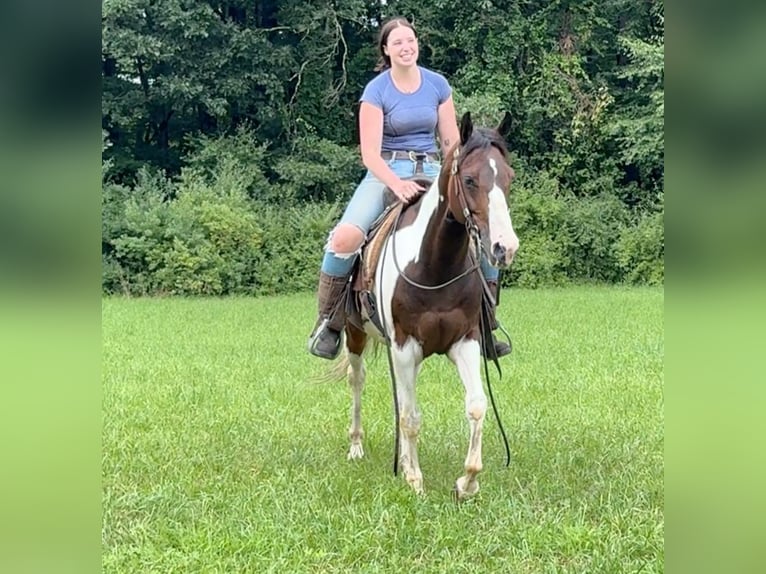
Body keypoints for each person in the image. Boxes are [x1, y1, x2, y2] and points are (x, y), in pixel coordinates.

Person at [307, 16, 511, 360]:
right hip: (387, 169)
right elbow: (369, 153)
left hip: (435, 168)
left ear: (418, 44)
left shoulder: (437, 85)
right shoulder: (376, 90)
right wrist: (396, 183)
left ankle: (486, 321)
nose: (406, 47)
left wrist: (455, 174)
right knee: (345, 237)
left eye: (411, 40)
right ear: (386, 50)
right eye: (398, 42)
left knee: (485, 230)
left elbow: (451, 141)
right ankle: (329, 323)